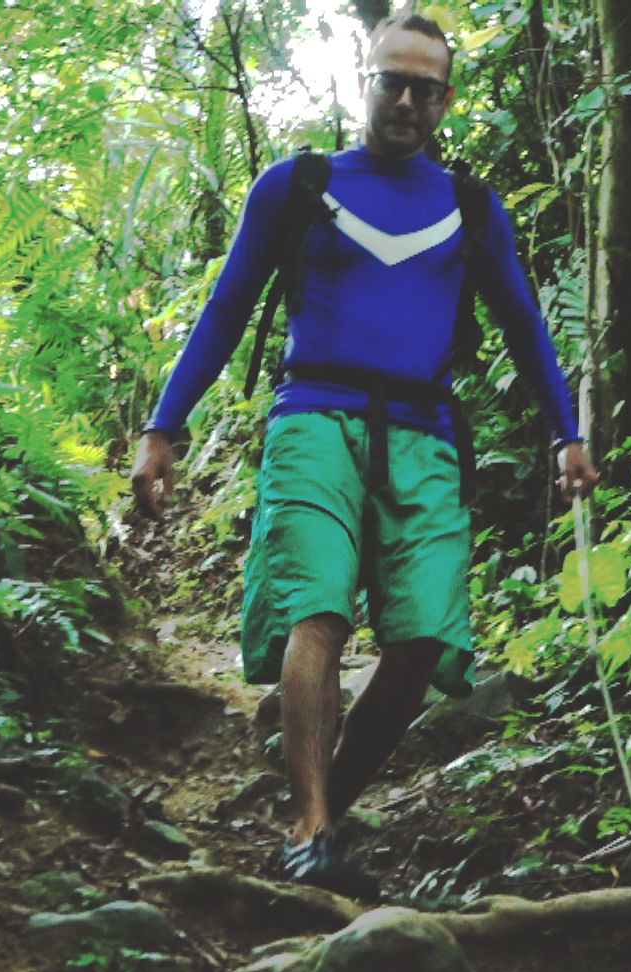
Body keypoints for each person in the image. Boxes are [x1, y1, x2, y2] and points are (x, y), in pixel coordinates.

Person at [128, 10, 597, 900]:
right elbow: (225, 312)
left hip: (425, 435)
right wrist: (163, 428)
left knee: (420, 639)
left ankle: (327, 812)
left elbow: (525, 327)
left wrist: (565, 431)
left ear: (447, 101)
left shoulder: (469, 207)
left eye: (427, 87)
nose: (408, 99)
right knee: (318, 609)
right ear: (363, 80)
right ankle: (308, 827)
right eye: (394, 81)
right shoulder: (297, 186)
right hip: (314, 418)